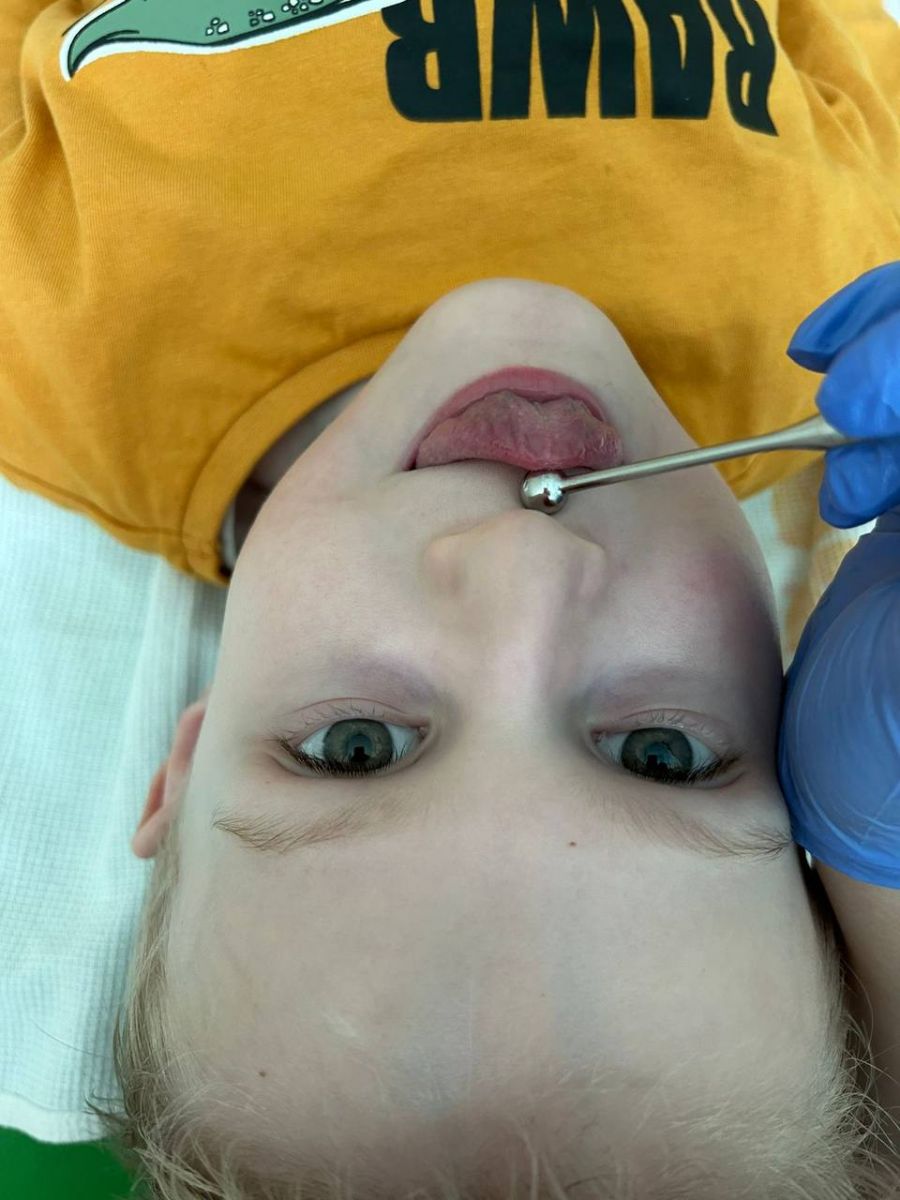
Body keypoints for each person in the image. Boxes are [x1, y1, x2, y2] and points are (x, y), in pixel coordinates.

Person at [2, 0, 899, 1195]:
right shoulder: (830, 302)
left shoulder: (55, 341)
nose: (525, 566)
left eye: (356, 746)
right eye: (664, 756)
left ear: (185, 760)